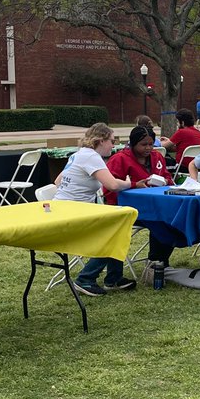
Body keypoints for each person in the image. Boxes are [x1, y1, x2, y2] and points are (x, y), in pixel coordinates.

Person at [55, 123, 137, 295]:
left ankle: (113, 277)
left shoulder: (78, 155)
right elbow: (113, 184)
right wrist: (131, 183)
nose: (114, 145)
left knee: (117, 226)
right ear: (100, 141)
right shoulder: (91, 157)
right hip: (73, 214)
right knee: (115, 232)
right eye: (112, 141)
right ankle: (86, 279)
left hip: (63, 210)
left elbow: (57, 181)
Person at [103, 126, 178, 277]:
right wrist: (134, 185)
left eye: (151, 144)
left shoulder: (157, 157)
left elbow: (168, 177)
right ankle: (155, 262)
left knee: (174, 219)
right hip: (126, 209)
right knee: (159, 220)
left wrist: (165, 181)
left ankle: (159, 260)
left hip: (156, 205)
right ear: (132, 143)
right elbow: (109, 188)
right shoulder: (119, 159)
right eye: (144, 144)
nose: (148, 148)